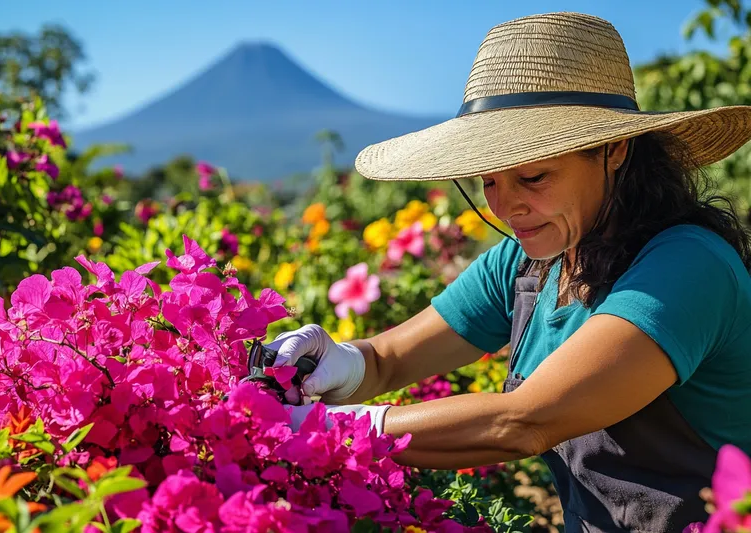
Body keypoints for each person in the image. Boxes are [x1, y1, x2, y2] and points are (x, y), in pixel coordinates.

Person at [266, 12, 751, 532]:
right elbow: (387, 360)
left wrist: (326, 431)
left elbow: (525, 420)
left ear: (616, 150)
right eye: (489, 181)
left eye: (534, 175)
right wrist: (335, 362)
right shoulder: (528, 263)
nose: (507, 206)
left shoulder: (686, 266)